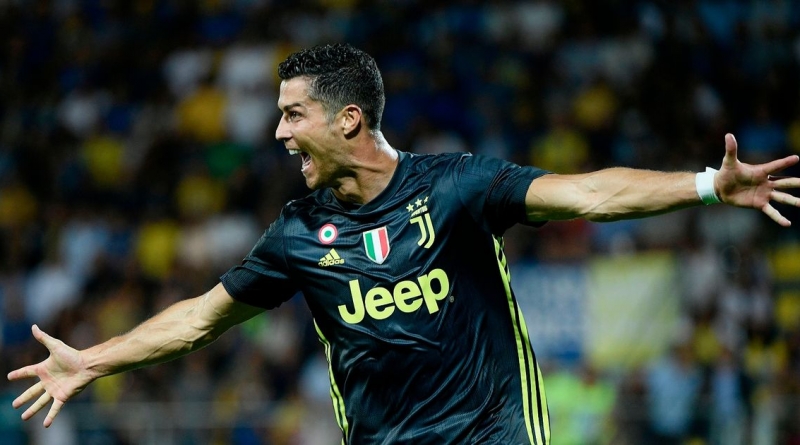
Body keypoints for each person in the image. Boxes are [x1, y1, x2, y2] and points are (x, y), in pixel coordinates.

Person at [7, 43, 800, 445]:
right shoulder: (297, 233)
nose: (278, 132)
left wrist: (708, 184)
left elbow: (589, 194)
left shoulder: (456, 186)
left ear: (348, 119)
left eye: (293, 114)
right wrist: (93, 360)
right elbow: (197, 320)